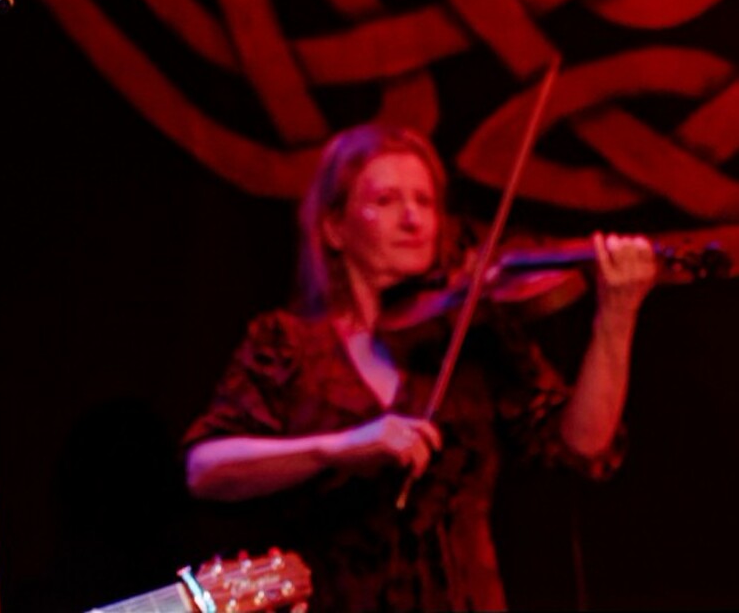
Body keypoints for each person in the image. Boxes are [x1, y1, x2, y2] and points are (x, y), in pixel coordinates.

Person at [183, 124, 657, 611]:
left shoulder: (475, 336)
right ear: (334, 228)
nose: (413, 218)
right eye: (386, 200)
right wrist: (339, 448)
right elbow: (206, 469)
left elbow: (584, 444)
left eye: (425, 202)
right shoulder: (286, 342)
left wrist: (617, 316)